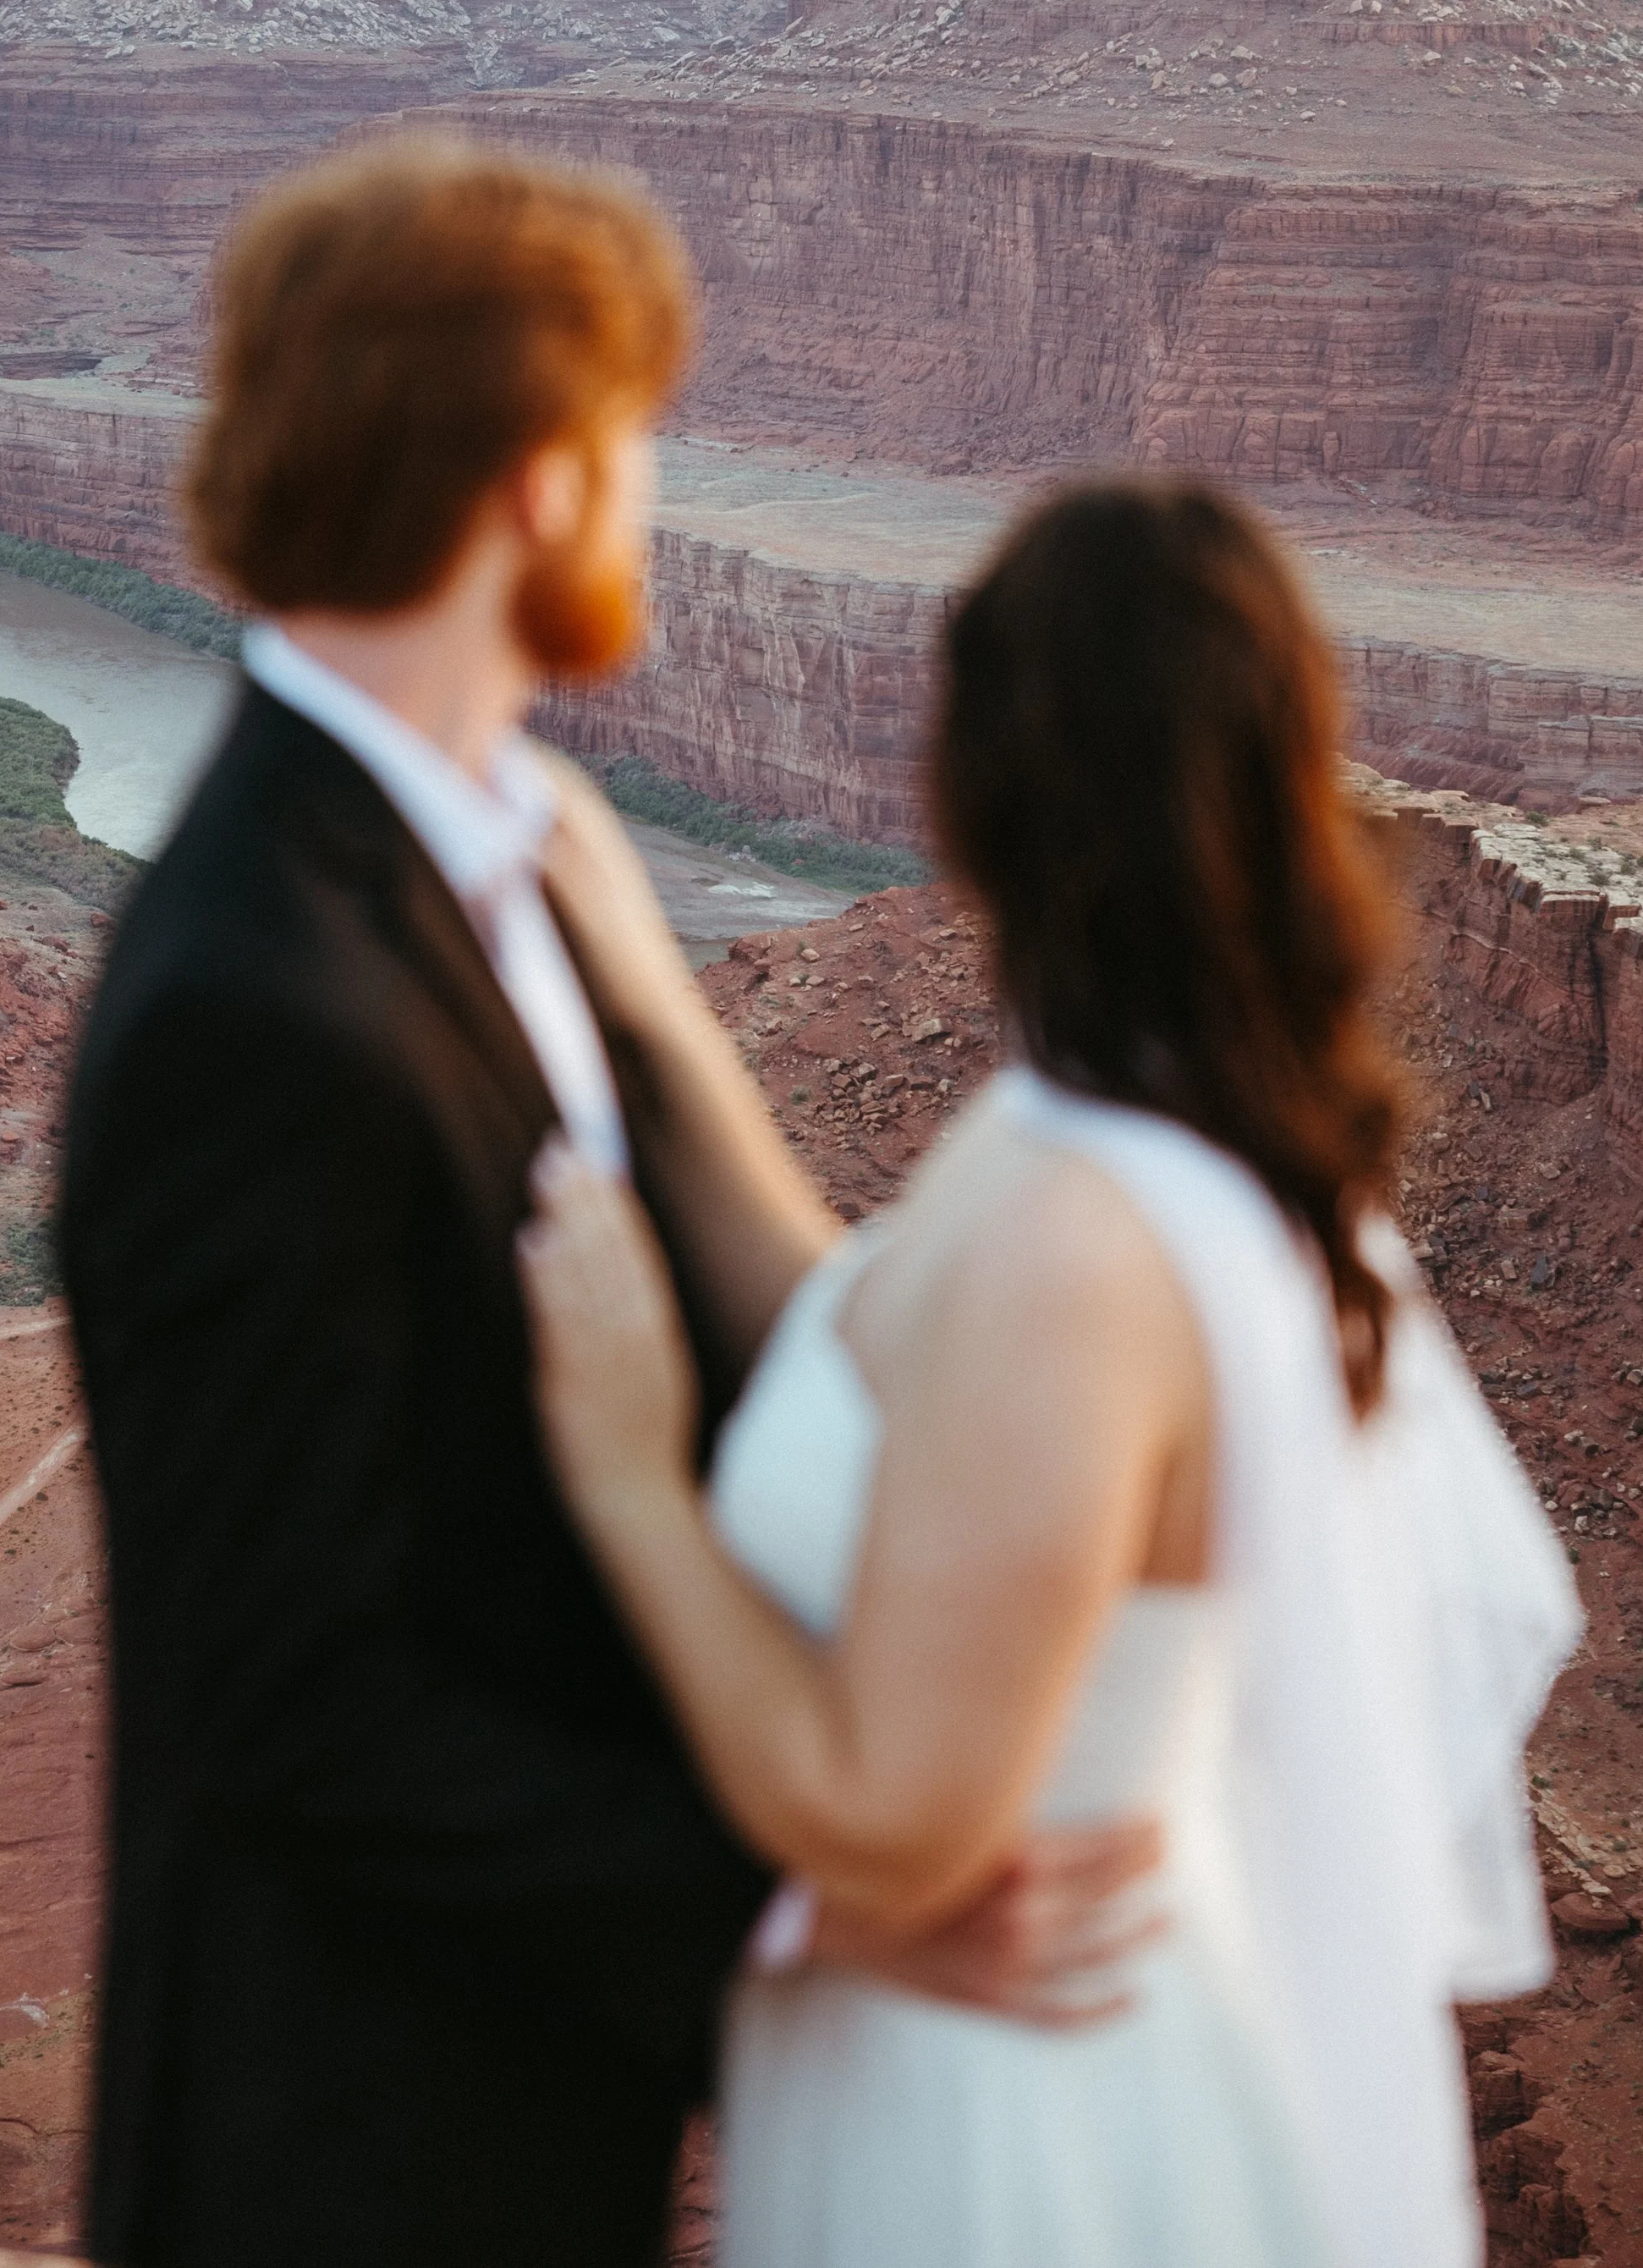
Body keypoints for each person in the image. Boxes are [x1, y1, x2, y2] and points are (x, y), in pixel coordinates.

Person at [57, 142, 1158, 2268]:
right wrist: (805, 1904)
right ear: (541, 483)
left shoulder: (504, 867)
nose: (650, 498)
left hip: (518, 2119)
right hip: (347, 2174)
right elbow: (282, 1698)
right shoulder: (253, 1000)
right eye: (635, 441)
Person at [519, 476, 1585, 2268]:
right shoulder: (1124, 1133)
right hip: (1022, 2077)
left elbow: (885, 1827)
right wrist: (644, 993)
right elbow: (874, 1358)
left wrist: (630, 1481)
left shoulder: (1079, 1244)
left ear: (970, 792)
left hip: (1025, 2143)